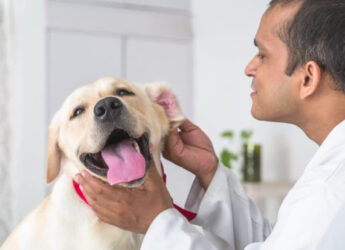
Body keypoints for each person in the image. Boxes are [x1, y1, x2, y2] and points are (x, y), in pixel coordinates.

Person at [74, 0, 345, 249]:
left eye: (262, 54)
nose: (249, 68)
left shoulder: (329, 194)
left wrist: (157, 222)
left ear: (308, 78)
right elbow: (278, 243)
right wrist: (210, 173)